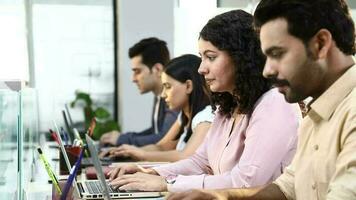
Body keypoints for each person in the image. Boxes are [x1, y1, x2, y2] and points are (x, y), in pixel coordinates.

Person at [167, 0, 356, 199]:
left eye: (277, 54)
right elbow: (287, 188)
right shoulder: (315, 114)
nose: (267, 70)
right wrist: (221, 197)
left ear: (321, 44)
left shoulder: (351, 112)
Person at [107, 10, 301, 193]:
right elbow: (201, 161)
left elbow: (245, 181)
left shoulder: (275, 104)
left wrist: (167, 183)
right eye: (202, 57)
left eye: (210, 57)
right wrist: (151, 172)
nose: (201, 68)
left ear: (241, 58)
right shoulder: (228, 105)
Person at [101, 54, 214, 162]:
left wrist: (143, 155)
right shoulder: (184, 116)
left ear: (189, 86)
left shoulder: (206, 116)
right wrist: (129, 151)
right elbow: (162, 147)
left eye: (168, 87)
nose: (164, 94)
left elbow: (185, 157)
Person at [100, 37, 179, 147]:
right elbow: (155, 131)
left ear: (157, 69)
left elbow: (165, 138)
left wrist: (123, 139)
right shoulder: (158, 96)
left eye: (137, 71)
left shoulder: (173, 97)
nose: (133, 79)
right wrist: (122, 138)